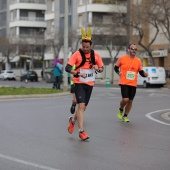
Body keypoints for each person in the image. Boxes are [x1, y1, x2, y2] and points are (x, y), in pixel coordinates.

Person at [65, 27, 104, 141]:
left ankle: (72, 121)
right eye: (83, 47)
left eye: (87, 47)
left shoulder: (96, 55)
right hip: (79, 83)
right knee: (80, 106)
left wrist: (98, 68)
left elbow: (101, 69)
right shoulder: (76, 54)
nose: (85, 49)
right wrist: (77, 73)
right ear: (81, 45)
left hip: (90, 84)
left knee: (83, 108)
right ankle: (81, 131)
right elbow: (67, 68)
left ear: (91, 45)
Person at [114, 43, 148, 122]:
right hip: (124, 82)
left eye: (135, 49)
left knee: (130, 101)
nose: (134, 50)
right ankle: (121, 109)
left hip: (133, 83)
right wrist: (118, 73)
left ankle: (125, 116)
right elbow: (116, 67)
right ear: (128, 49)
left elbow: (141, 71)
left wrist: (145, 74)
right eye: (132, 49)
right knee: (125, 99)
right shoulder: (122, 58)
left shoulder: (138, 61)